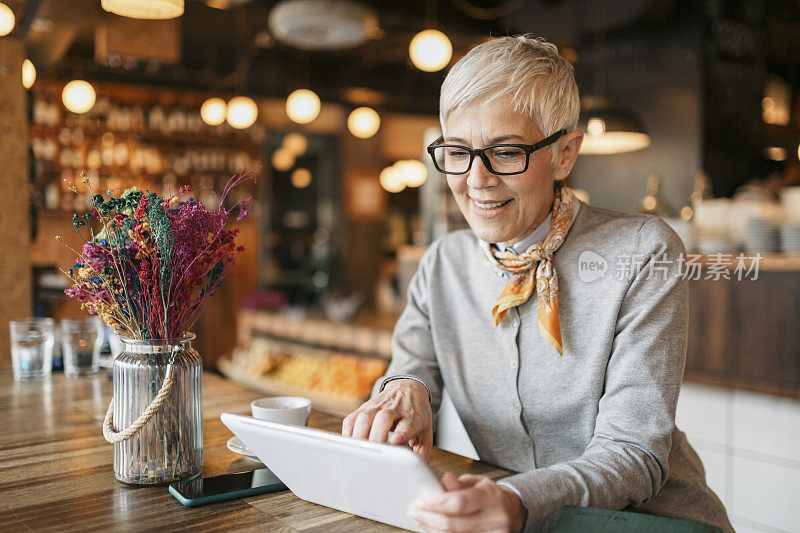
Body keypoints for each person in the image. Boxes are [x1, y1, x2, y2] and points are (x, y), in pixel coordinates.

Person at [342, 35, 733, 533]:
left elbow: (634, 454)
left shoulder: (643, 251)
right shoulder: (443, 263)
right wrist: (404, 392)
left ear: (566, 154)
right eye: (458, 152)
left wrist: (515, 500)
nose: (477, 179)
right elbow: (413, 366)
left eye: (505, 152)